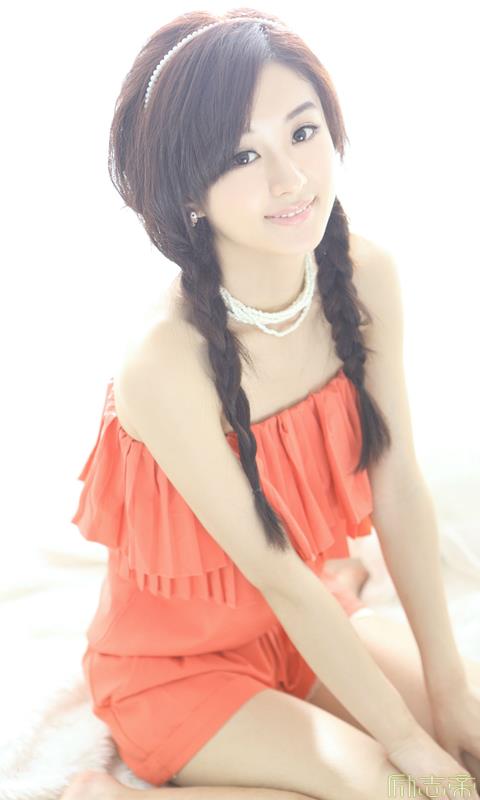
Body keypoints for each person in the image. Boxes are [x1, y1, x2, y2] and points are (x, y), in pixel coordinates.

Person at [63, 9, 480, 800]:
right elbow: (276, 574)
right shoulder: (164, 362)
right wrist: (411, 746)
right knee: (405, 790)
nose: (290, 179)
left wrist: (449, 688)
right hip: (178, 670)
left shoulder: (366, 276)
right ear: (188, 190)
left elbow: (398, 487)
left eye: (302, 131)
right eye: (243, 155)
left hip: (303, 629)